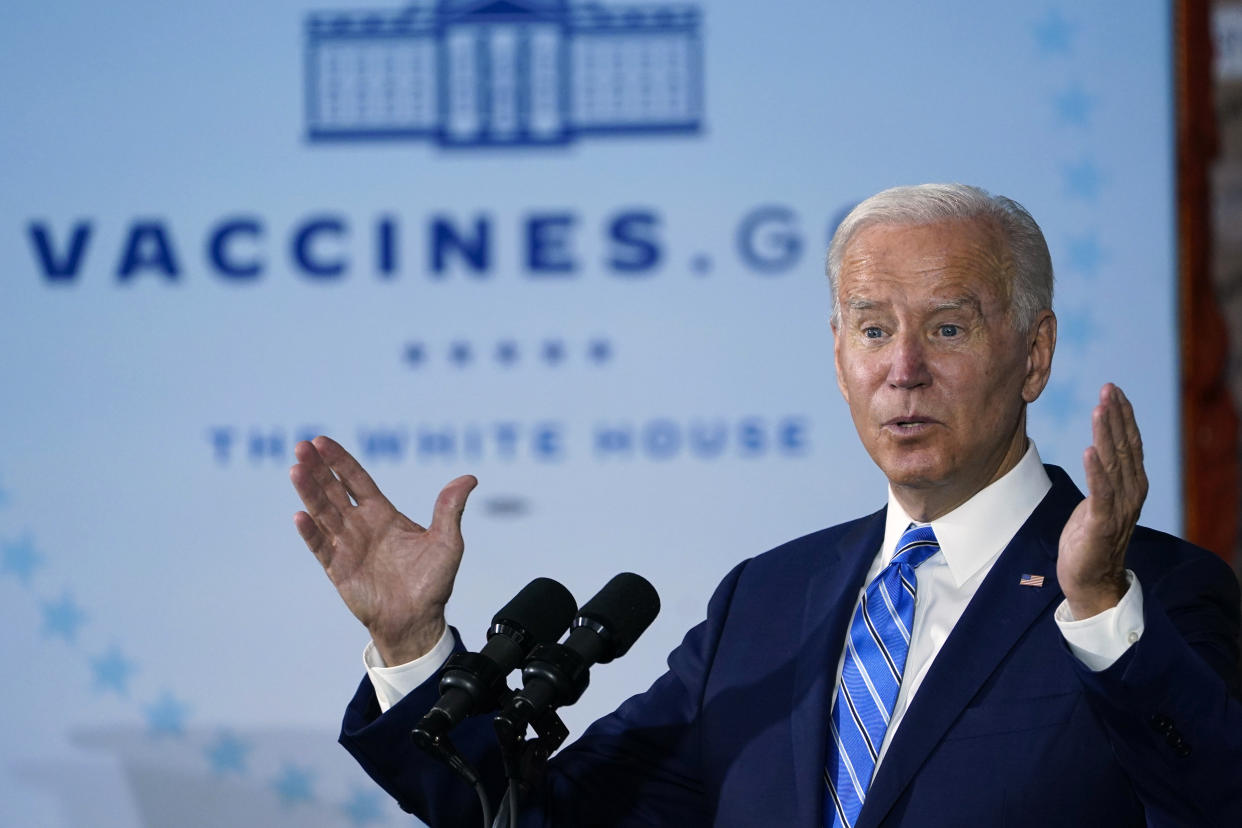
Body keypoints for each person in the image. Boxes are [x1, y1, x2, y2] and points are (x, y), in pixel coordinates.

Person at [290, 184, 1242, 826]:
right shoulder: (767, 602)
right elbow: (535, 815)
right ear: (838, 355)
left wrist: (1104, 616)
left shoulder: (1151, 595)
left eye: (948, 327)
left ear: (1034, 354)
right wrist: (415, 645)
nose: (903, 369)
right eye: (874, 329)